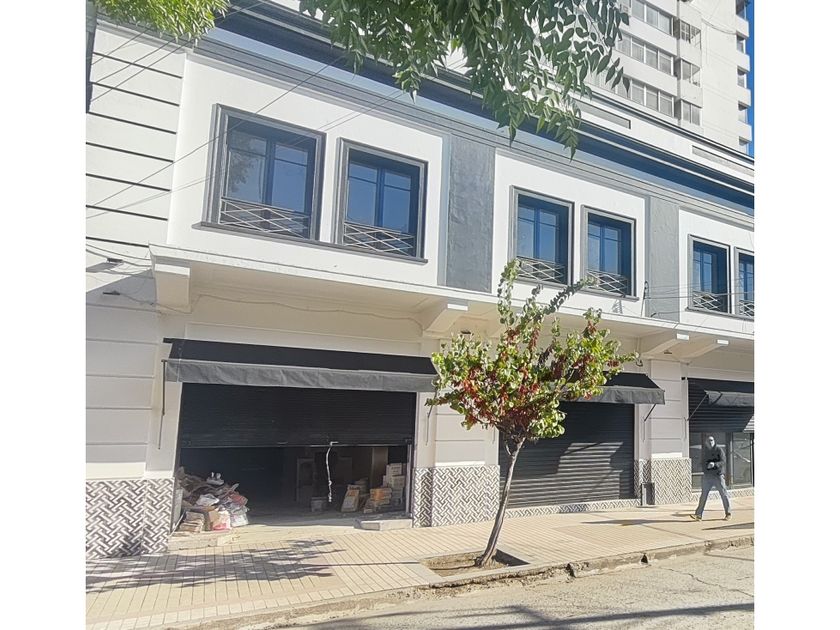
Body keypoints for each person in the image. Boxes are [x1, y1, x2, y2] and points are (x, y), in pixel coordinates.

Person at [690, 435, 731, 521]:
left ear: (714, 441)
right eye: (709, 441)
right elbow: (702, 462)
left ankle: (728, 513)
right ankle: (698, 515)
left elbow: (723, 461)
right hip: (707, 476)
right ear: (706, 443)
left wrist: (714, 464)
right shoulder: (705, 451)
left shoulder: (719, 450)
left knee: (723, 494)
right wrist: (704, 467)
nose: (710, 442)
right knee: (703, 496)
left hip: (718, 476)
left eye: (712, 440)